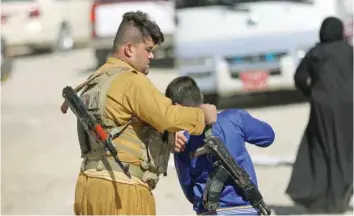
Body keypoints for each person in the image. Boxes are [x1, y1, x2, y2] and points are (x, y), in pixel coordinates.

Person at [70, 11, 218, 215]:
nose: (152, 56)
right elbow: (167, 116)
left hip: (88, 186)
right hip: (121, 191)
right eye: (147, 49)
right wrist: (202, 115)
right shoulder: (131, 81)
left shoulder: (96, 79)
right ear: (129, 49)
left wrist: (165, 139)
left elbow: (117, 126)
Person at [165, 76, 275, 215]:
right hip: (244, 207)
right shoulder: (235, 118)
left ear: (175, 107)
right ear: (201, 96)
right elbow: (268, 137)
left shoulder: (181, 141)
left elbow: (188, 187)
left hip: (209, 211)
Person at [286, 16, 353, 214]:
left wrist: (310, 93)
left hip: (322, 107)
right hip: (350, 106)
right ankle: (339, 197)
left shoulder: (316, 53)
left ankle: (320, 198)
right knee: (346, 149)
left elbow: (299, 77)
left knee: (322, 150)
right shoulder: (350, 52)